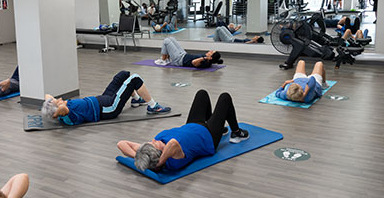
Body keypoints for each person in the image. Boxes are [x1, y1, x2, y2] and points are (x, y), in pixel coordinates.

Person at [117, 90, 249, 172]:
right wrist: (159, 162)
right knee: (225, 98)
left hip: (192, 125)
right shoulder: (173, 159)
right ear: (160, 154)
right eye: (154, 144)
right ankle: (236, 132)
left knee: (201, 94)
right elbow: (173, 143)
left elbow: (121, 143)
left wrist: (140, 158)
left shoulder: (150, 151)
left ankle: (218, 127)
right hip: (208, 137)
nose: (153, 140)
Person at [42, 70, 171, 125]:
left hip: (103, 98)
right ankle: (153, 107)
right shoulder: (66, 115)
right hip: (109, 108)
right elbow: (60, 109)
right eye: (56, 101)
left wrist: (50, 103)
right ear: (56, 112)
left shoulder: (61, 109)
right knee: (135, 79)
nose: (59, 99)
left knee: (123, 75)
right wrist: (54, 109)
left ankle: (137, 100)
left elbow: (47, 95)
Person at [155, 37, 223, 68]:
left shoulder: (205, 62)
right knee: (172, 38)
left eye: (211, 52)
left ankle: (163, 60)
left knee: (166, 41)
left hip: (179, 60)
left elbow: (194, 62)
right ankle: (167, 58)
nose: (210, 51)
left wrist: (203, 58)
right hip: (183, 54)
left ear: (210, 57)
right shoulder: (207, 60)